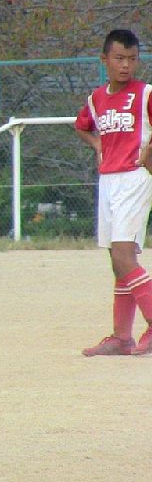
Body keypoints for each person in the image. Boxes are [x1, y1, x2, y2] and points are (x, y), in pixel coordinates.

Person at [75, 29, 152, 357]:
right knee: (117, 261)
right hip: (108, 181)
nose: (125, 65)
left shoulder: (145, 93)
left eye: (132, 59)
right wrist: (97, 145)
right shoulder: (96, 99)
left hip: (135, 177)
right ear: (104, 59)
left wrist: (149, 150)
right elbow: (81, 126)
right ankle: (122, 337)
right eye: (119, 58)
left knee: (123, 255)